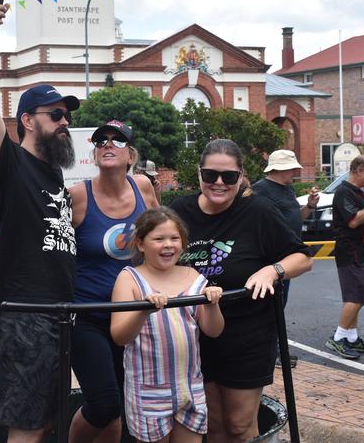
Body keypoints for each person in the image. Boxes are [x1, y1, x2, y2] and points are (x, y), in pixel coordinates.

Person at [0, 0, 79, 443]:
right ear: (28, 120)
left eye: (66, 115)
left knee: (47, 421)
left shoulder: (54, 175)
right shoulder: (10, 164)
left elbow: (21, 247)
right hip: (25, 315)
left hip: (59, 314)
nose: (65, 121)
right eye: (56, 114)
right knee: (26, 427)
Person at [170, 138, 312, 442]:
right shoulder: (179, 211)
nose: (219, 183)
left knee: (239, 424)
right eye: (210, 175)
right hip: (195, 336)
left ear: (241, 175)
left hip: (247, 334)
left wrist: (271, 270)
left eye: (229, 176)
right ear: (199, 174)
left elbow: (301, 258)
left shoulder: (257, 211)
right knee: (214, 423)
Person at [68, 120, 158, 443]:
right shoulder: (77, 196)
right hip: (87, 316)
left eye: (117, 141)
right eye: (101, 141)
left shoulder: (143, 188)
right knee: (103, 403)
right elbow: (45, 247)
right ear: (94, 154)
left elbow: (162, 238)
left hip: (130, 316)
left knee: (121, 404)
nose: (108, 144)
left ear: (130, 155)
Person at [110, 207, 225, 443]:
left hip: (190, 388)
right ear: (141, 244)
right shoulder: (130, 278)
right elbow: (119, 336)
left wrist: (212, 303)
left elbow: (213, 330)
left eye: (175, 238)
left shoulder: (194, 277)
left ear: (183, 244)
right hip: (149, 391)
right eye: (158, 239)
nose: (168, 245)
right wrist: (142, 311)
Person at [252, 150, 319, 367]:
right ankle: (270, 353)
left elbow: (296, 218)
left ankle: (275, 352)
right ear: (282, 168)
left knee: (279, 305)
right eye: (293, 167)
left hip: (287, 256)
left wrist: (309, 205)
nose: (296, 171)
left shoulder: (287, 189)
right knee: (271, 307)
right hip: (271, 258)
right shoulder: (260, 190)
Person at [324, 154, 364, 360]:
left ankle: (351, 337)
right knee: (356, 297)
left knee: (357, 296)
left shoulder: (356, 192)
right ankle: (338, 337)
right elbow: (354, 221)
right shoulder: (343, 192)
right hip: (351, 251)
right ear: (358, 171)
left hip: (362, 251)